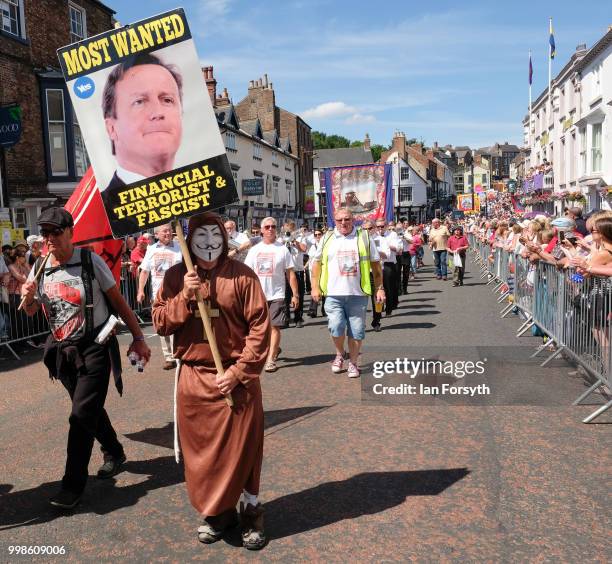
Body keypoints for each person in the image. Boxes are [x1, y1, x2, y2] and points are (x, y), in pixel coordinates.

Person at [152, 212, 270, 550]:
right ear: (188, 240)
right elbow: (160, 322)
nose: (208, 243)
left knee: (245, 453)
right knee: (202, 456)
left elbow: (260, 330)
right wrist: (185, 298)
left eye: (214, 235)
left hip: (237, 379)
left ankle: (250, 516)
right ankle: (218, 514)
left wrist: (238, 372)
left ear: (224, 237)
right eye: (200, 236)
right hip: (194, 378)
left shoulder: (243, 277)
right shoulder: (177, 276)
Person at [20, 207, 150, 509]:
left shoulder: (89, 261)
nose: (50, 238)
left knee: (79, 416)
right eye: (46, 233)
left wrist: (139, 338)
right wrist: (27, 296)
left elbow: (118, 301)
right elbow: (29, 311)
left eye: (56, 232)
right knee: (89, 408)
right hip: (62, 352)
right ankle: (115, 452)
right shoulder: (39, 266)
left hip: (94, 347)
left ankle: (72, 486)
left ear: (70, 232)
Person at [310, 208, 384, 378]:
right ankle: (339, 354)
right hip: (333, 293)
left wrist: (380, 288)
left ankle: (353, 363)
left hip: (357, 294)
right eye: (339, 220)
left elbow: (376, 266)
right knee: (336, 327)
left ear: (353, 220)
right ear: (334, 221)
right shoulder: (327, 238)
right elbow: (316, 264)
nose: (343, 223)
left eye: (347, 219)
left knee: (356, 331)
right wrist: (315, 287)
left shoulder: (364, 237)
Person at [102, 53, 183, 192]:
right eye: (139, 102)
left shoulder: (210, 196)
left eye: (167, 100)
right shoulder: (104, 210)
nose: (158, 112)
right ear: (111, 128)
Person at [244, 217, 298, 372]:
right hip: (257, 295)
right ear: (261, 230)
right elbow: (247, 274)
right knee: (258, 328)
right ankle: (271, 348)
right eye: (266, 227)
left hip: (277, 294)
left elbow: (290, 274)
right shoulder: (255, 250)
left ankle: (271, 359)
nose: (270, 229)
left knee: (275, 327)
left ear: (277, 229)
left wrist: (295, 295)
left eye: (273, 226)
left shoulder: (282, 249)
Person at [137, 223, 182, 369]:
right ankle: (169, 357)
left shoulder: (179, 247)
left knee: (177, 323)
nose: (168, 233)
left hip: (177, 293)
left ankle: (179, 354)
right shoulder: (151, 250)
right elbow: (144, 271)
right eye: (165, 231)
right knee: (162, 324)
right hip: (158, 294)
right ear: (156, 235)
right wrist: (140, 290)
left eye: (170, 230)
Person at [280, 220, 307, 328]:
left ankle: (298, 318)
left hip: (297, 270)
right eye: (286, 229)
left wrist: (294, 240)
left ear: (293, 229)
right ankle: (286, 318)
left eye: (289, 229)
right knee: (285, 297)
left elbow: (304, 249)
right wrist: (284, 241)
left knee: (298, 295)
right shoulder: (280, 239)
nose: (287, 231)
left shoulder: (300, 237)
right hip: (284, 272)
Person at [365, 220, 389, 332]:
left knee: (377, 299)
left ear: (374, 228)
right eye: (365, 229)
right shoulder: (359, 240)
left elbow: (386, 255)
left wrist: (375, 252)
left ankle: (376, 321)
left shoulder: (381, 240)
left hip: (376, 273)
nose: (367, 231)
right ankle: (359, 322)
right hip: (363, 273)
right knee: (360, 299)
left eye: (369, 228)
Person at [306, 229, 326, 318]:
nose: (317, 236)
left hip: (323, 270)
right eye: (316, 235)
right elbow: (310, 258)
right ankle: (313, 310)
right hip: (313, 270)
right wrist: (305, 266)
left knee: (324, 289)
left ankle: (324, 309)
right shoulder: (313, 246)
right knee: (314, 288)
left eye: (319, 234)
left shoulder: (326, 245)